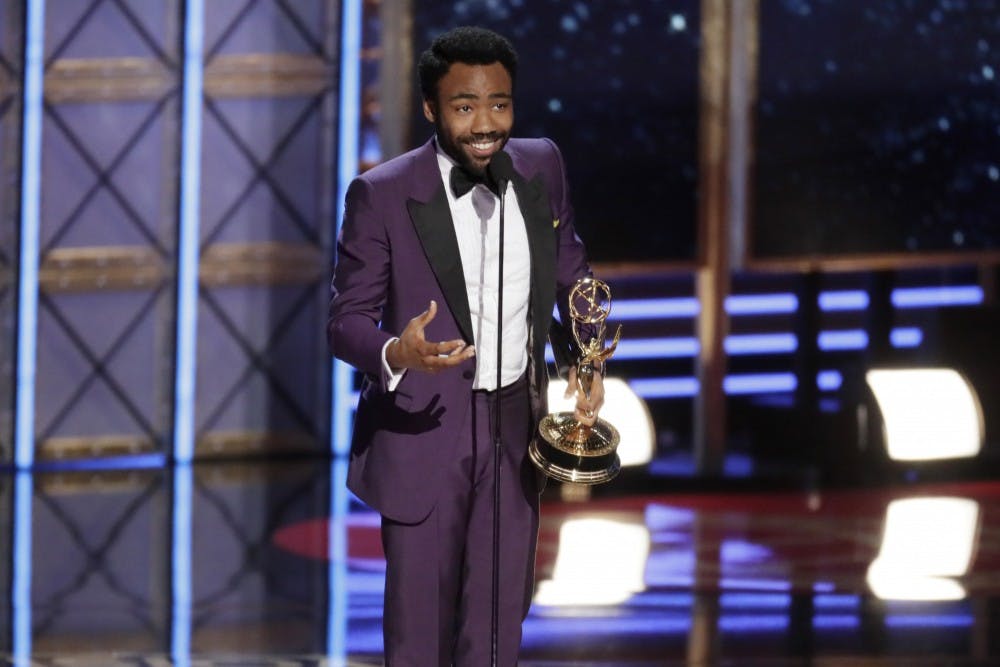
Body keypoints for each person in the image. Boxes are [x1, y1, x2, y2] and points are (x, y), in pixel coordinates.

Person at [328, 25, 604, 666]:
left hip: (515, 426)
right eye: (465, 106)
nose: (486, 123)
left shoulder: (541, 167)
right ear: (431, 109)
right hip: (424, 428)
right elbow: (345, 323)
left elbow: (572, 277)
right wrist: (397, 352)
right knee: (419, 636)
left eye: (499, 104)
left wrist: (585, 356)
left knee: (498, 630)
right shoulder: (382, 193)